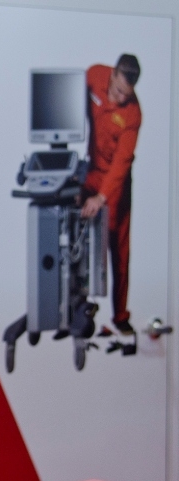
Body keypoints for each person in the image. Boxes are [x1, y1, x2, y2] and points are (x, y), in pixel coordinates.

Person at [80, 54, 142, 335]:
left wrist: (101, 197)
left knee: (118, 249)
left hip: (115, 184)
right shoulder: (94, 75)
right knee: (75, 234)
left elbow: (121, 162)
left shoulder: (133, 114)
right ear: (113, 74)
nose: (119, 99)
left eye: (125, 95)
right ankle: (77, 307)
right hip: (90, 171)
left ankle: (120, 316)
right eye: (117, 91)